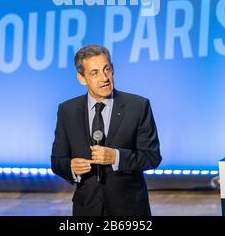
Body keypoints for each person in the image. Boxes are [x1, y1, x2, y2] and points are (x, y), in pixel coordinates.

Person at [51, 44, 162, 216]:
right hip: (86, 209)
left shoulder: (138, 106)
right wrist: (71, 167)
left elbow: (152, 157)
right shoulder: (67, 110)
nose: (104, 78)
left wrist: (116, 157)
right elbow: (57, 160)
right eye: (94, 73)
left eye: (107, 69)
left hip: (129, 211)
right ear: (82, 78)